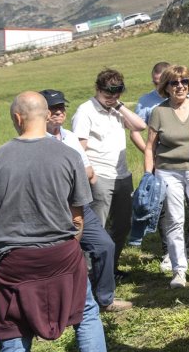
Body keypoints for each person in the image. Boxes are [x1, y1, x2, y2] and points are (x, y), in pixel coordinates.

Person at [0, 92, 113, 352]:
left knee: (13, 330)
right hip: (62, 253)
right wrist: (69, 246)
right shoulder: (69, 155)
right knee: (86, 311)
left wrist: (1, 251)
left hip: (14, 259)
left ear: (17, 118)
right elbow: (78, 216)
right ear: (45, 115)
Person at [41, 89, 131, 312]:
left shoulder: (70, 137)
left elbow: (89, 172)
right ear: (41, 112)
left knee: (105, 246)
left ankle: (104, 299)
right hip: (51, 209)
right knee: (58, 256)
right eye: (53, 108)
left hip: (78, 205)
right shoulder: (38, 141)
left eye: (61, 107)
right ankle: (58, 306)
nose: (59, 112)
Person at [145, 65, 189, 287]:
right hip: (168, 171)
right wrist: (148, 176)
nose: (180, 86)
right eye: (174, 83)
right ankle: (179, 270)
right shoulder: (159, 112)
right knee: (175, 220)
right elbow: (150, 146)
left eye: (184, 81)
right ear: (166, 87)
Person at [71, 69, 148, 275]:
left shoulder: (116, 109)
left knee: (122, 226)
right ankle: (90, 274)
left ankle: (110, 269)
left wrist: (119, 106)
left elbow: (140, 126)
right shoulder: (85, 111)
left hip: (122, 176)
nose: (111, 98)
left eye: (116, 94)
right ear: (98, 89)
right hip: (99, 177)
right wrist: (90, 174)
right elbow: (79, 148)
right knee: (97, 228)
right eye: (107, 94)